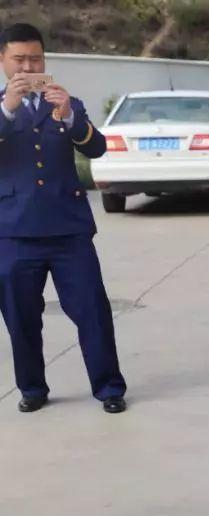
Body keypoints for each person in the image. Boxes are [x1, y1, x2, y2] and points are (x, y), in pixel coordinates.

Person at [0, 22, 126, 414]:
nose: (27, 66)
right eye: (19, 59)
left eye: (34, 58)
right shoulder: (2, 107)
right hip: (13, 230)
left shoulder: (67, 102)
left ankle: (109, 388)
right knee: (20, 318)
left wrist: (70, 115)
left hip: (68, 229)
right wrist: (8, 109)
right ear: (3, 60)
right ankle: (32, 388)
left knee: (92, 310)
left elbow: (98, 148)